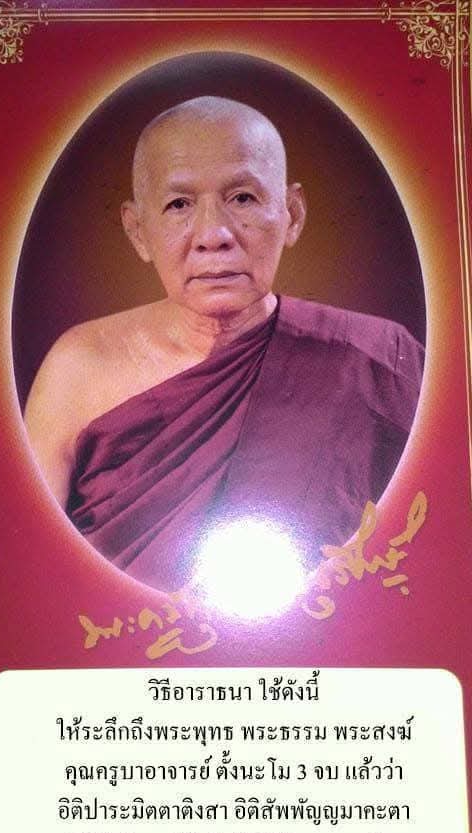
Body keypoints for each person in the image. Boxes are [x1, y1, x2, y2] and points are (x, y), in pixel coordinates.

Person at [24, 95, 424, 591]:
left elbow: (431, 548)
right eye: (178, 205)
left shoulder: (375, 359)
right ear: (138, 231)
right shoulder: (79, 367)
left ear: (292, 214)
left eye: (243, 198)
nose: (213, 235)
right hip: (117, 639)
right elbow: (28, 568)